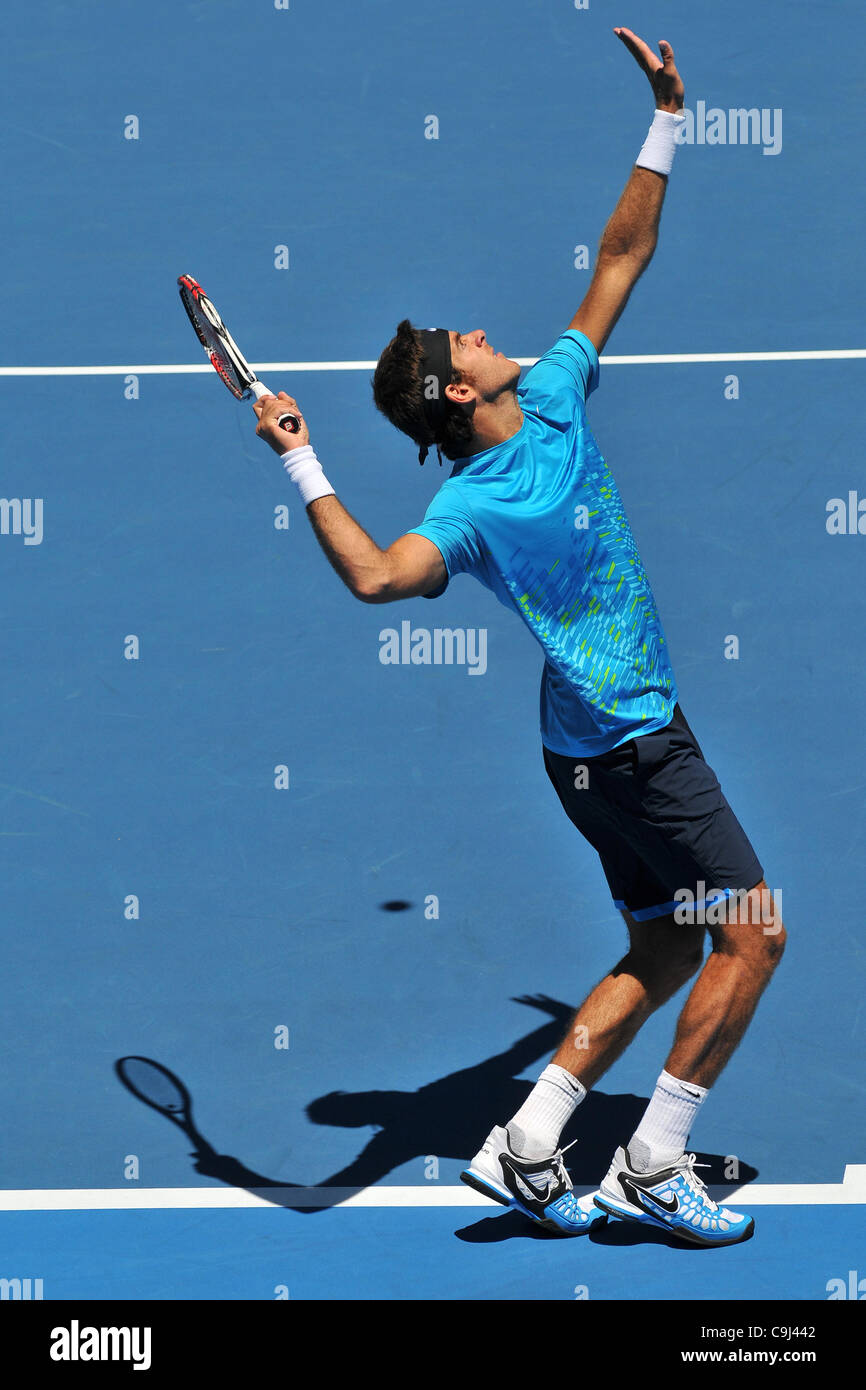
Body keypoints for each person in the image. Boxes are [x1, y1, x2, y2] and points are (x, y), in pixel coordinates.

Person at [253, 28, 785, 1247]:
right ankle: (651, 1164)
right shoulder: (470, 507)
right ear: (455, 390)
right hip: (641, 744)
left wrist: (664, 119)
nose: (481, 328)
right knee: (750, 935)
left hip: (575, 755)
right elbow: (381, 578)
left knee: (658, 944)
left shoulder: (546, 388)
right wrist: (300, 457)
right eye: (461, 340)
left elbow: (620, 254)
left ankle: (529, 1139)